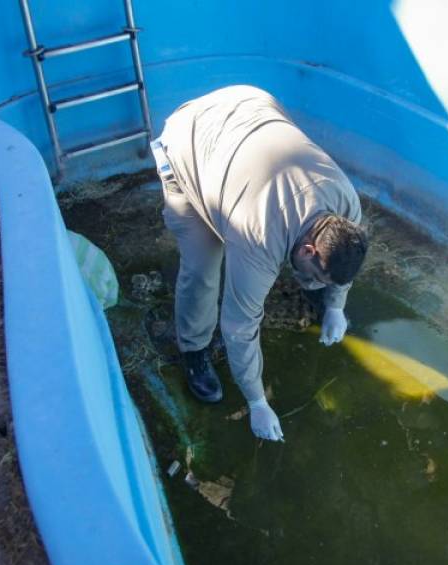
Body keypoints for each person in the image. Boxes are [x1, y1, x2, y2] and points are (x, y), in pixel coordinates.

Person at [152, 85, 368, 443]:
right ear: (309, 251)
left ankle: (321, 298)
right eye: (314, 275)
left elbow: (342, 269)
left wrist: (336, 306)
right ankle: (193, 351)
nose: (313, 282)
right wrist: (256, 401)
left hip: (251, 104)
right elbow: (239, 326)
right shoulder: (258, 239)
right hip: (187, 141)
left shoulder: (347, 207)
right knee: (203, 265)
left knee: (314, 286)